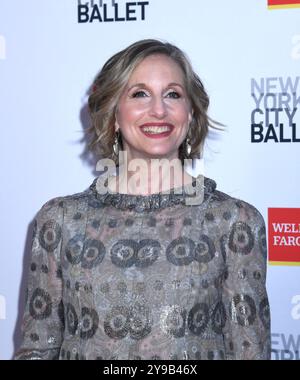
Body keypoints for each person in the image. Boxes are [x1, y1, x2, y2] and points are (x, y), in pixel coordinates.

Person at [14, 39, 271, 360]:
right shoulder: (61, 220)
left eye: (173, 94)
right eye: (140, 94)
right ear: (114, 115)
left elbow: (250, 352)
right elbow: (38, 350)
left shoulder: (233, 221)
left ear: (190, 113)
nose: (159, 110)